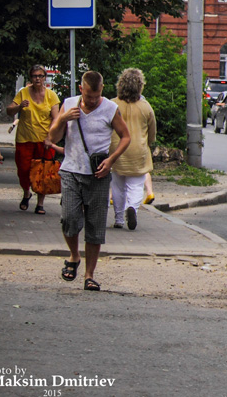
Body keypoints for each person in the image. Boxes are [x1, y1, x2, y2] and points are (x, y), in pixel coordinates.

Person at [48, 70, 131, 292]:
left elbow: (126, 136)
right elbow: (52, 137)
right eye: (87, 96)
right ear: (81, 89)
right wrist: (63, 119)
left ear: (101, 90)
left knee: (95, 225)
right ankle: (74, 256)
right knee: (69, 219)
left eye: (95, 96)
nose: (92, 101)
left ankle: (89, 275)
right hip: (71, 171)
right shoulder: (69, 104)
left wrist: (111, 160)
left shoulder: (110, 109)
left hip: (98, 175)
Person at [6, 64, 61, 214]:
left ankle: (40, 203)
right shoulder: (23, 93)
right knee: (23, 171)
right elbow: (9, 110)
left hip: (44, 141)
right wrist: (19, 107)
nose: (38, 78)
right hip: (25, 139)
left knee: (43, 172)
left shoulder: (51, 95)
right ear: (30, 77)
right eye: (35, 76)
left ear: (44, 78)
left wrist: (50, 137)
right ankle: (26, 193)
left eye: (40, 76)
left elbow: (56, 119)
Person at [109, 68, 156, 231]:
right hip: (138, 151)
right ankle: (133, 208)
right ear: (140, 86)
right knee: (136, 185)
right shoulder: (145, 107)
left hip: (116, 150)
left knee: (117, 185)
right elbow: (152, 132)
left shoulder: (112, 104)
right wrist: (148, 143)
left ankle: (118, 219)